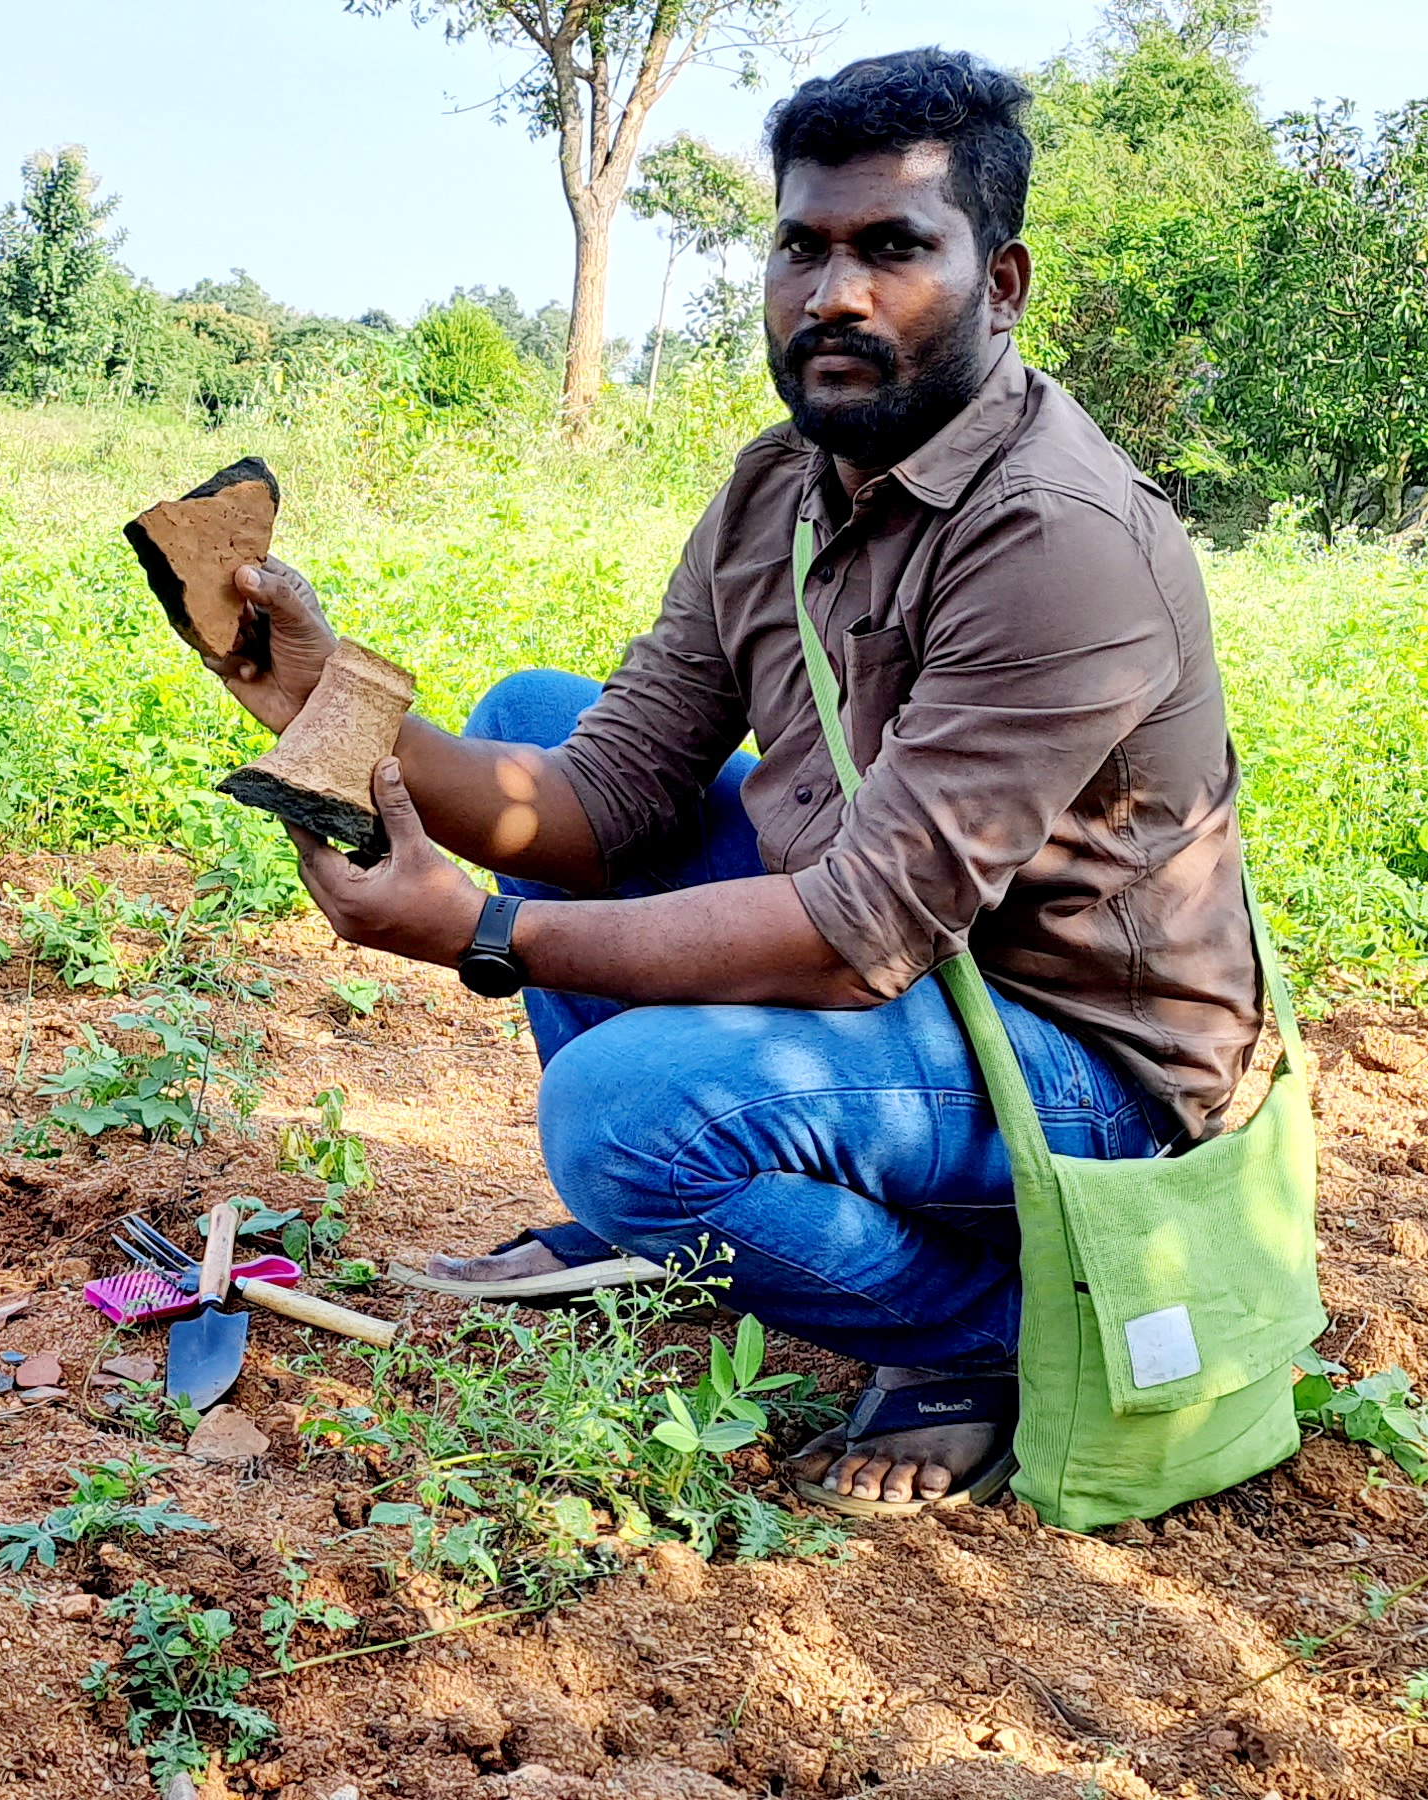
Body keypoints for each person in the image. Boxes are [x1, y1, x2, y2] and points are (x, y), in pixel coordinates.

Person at [190, 47, 1261, 1514]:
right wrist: (337, 705)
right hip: (914, 982)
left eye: (894, 248)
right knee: (532, 719)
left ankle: (995, 1337)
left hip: (1082, 1065)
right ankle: (681, 1221)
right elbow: (608, 790)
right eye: (803, 246)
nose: (835, 293)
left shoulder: (1062, 537)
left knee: (625, 1118)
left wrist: (489, 937)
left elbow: (854, 935)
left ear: (1001, 284)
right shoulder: (781, 486)